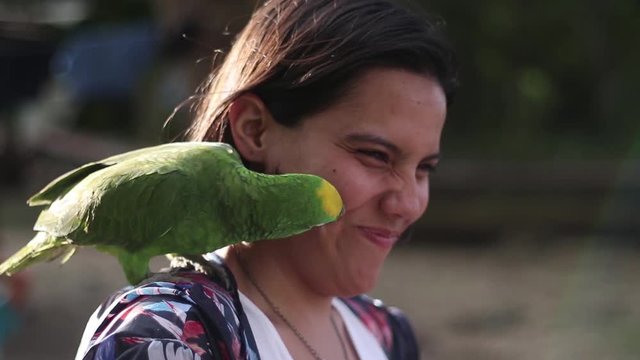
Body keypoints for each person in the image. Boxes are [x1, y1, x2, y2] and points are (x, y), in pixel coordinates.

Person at [76, 0, 457, 359]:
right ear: (255, 129)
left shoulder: (387, 334)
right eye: (375, 156)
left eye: (424, 169)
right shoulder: (168, 335)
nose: (408, 205)